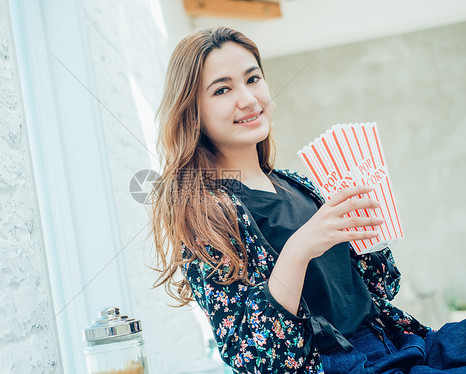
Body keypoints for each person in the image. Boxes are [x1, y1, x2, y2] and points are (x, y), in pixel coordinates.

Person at [150, 27, 466, 373]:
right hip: (338, 364)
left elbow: (382, 286)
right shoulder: (202, 213)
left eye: (253, 79)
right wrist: (299, 249)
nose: (248, 99)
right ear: (192, 110)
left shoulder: (298, 185)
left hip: (397, 341)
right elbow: (255, 355)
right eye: (222, 89)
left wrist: (370, 233)